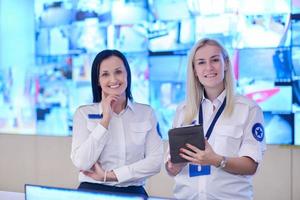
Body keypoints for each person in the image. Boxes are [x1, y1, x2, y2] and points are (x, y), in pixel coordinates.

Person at [165, 38, 266, 200]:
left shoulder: (248, 109)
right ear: (194, 70)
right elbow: (171, 169)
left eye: (215, 60)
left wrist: (217, 160)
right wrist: (174, 165)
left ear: (225, 64)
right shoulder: (183, 111)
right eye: (201, 62)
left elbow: (251, 166)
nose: (209, 67)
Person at [71, 49, 163, 197]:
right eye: (105, 74)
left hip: (132, 192)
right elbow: (82, 162)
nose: (113, 79)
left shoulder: (146, 113)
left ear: (127, 74)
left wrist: (110, 175)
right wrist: (105, 120)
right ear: (98, 81)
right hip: (92, 192)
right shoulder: (83, 114)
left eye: (118, 72)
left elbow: (155, 162)